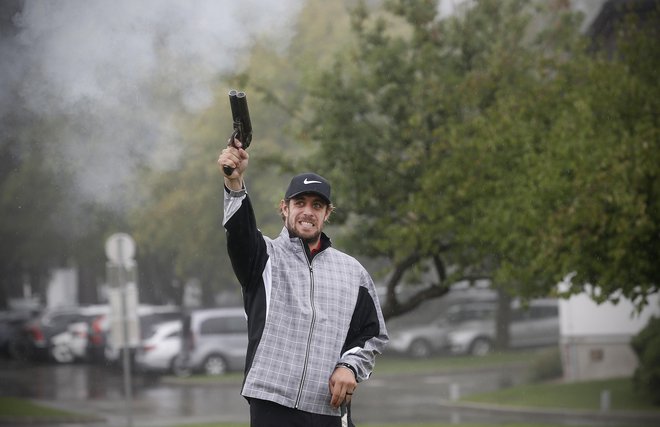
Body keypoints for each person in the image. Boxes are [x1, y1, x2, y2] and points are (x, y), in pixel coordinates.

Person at [218, 137, 389, 427]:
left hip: (328, 408)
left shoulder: (352, 272)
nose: (308, 211)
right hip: (272, 404)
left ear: (327, 214)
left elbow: (372, 335)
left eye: (317, 205)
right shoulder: (263, 257)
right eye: (300, 202)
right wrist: (235, 183)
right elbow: (240, 232)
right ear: (284, 208)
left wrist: (349, 366)